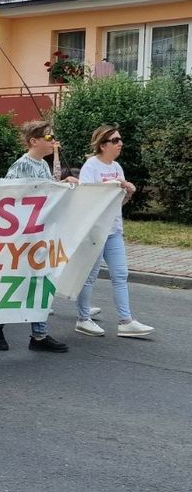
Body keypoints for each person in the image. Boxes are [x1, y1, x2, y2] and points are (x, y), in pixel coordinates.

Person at [0, 121, 75, 353]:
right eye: (48, 136)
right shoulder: (21, 166)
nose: (53, 140)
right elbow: (9, 196)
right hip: (22, 238)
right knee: (17, 283)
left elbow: (46, 192)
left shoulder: (42, 164)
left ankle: (39, 334)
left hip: (40, 235)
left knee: (41, 280)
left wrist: (64, 185)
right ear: (34, 141)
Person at [75, 125, 154, 338]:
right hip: (95, 231)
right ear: (103, 145)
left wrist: (127, 192)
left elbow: (118, 203)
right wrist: (111, 184)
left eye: (120, 139)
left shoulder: (117, 167)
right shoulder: (91, 166)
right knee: (89, 276)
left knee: (120, 274)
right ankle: (83, 319)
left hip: (114, 229)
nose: (120, 143)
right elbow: (86, 199)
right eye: (115, 140)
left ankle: (126, 321)